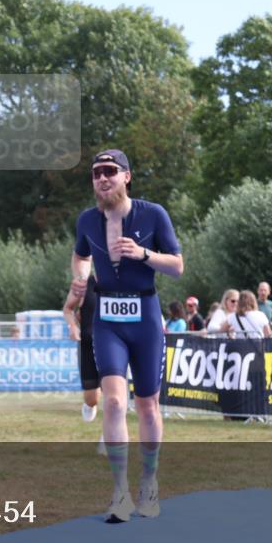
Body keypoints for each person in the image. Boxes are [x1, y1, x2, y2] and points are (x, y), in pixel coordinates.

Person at [70, 149, 183, 523]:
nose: (102, 178)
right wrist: (81, 277)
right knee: (115, 403)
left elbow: (178, 266)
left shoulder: (153, 214)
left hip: (146, 316)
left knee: (147, 404)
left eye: (110, 172)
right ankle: (119, 492)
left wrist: (143, 253)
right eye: (96, 173)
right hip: (107, 319)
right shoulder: (87, 220)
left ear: (127, 177)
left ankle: (148, 483)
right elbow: (80, 255)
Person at [62, 274, 101, 422]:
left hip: (113, 344)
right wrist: (73, 327)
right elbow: (67, 309)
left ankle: (111, 440)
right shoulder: (84, 284)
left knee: (114, 398)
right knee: (93, 399)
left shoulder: (121, 280)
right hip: (87, 344)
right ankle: (89, 405)